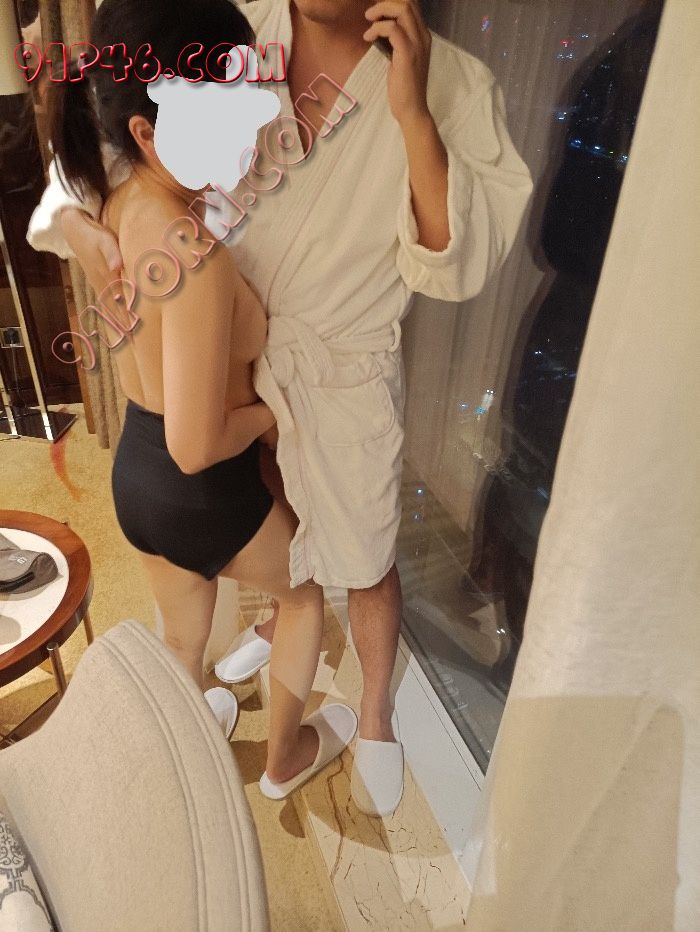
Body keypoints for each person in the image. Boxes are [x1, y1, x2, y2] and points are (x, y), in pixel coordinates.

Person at [29, 0, 533, 817]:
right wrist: (83, 230)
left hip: (330, 373)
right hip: (229, 366)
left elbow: (455, 263)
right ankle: (279, 694)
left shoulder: (456, 86)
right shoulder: (238, 24)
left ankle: (371, 711)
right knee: (284, 551)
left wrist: (412, 113)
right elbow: (107, 140)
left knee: (362, 558)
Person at [45, 0, 358, 799]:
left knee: (183, 643)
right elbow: (196, 445)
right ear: (148, 132)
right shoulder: (191, 253)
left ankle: (175, 773)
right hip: (198, 484)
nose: (250, 132)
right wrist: (274, 412)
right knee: (303, 599)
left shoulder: (117, 203)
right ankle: (284, 762)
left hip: (138, 474)